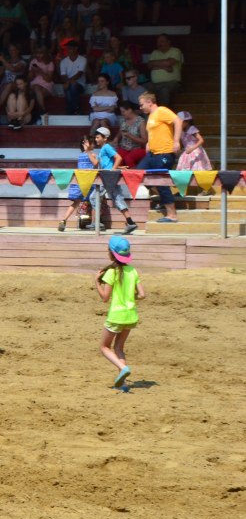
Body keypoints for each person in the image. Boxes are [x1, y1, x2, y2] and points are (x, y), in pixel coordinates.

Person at [97, 235, 144, 388]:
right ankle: (122, 383)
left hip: (116, 316)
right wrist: (131, 298)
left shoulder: (111, 273)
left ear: (111, 253)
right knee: (119, 348)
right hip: (131, 316)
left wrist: (96, 282)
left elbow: (105, 297)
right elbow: (142, 295)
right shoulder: (133, 271)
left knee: (104, 347)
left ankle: (123, 368)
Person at [137, 91, 183, 223]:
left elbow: (178, 121)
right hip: (152, 152)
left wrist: (176, 140)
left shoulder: (162, 110)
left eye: (141, 105)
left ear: (149, 102)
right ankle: (165, 198)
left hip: (164, 152)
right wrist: (148, 143)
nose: (140, 108)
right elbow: (155, 132)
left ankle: (172, 214)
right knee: (139, 173)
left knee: (160, 181)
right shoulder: (150, 116)